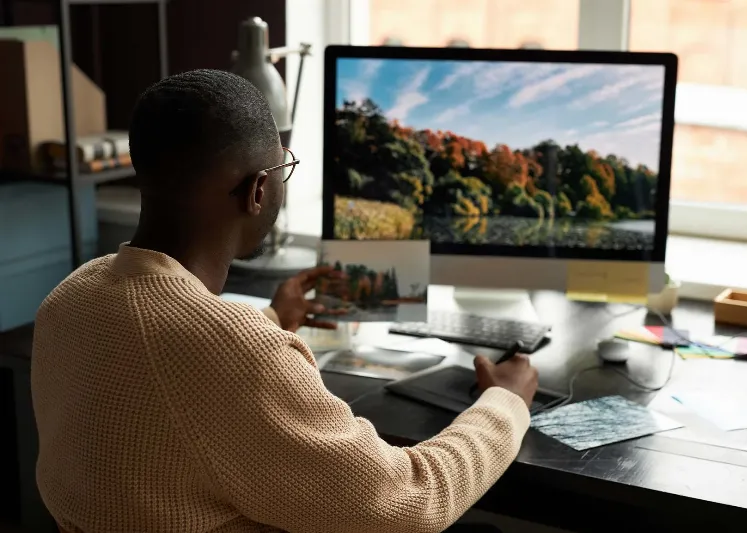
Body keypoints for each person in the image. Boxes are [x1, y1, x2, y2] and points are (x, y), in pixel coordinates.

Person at [30, 69, 539, 533]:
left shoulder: (70, 299)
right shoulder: (234, 352)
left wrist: (272, 319)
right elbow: (412, 502)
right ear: (257, 191)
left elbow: (165, 389)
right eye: (284, 169)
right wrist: (506, 402)